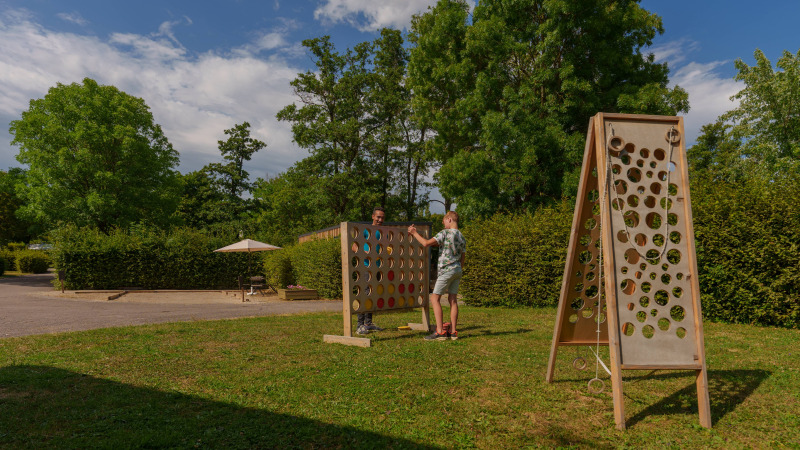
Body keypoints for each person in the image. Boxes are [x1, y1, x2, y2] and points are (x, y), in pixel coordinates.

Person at [408, 211, 466, 341]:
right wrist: (458, 269)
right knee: (453, 299)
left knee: (434, 298)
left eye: (444, 221)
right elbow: (463, 256)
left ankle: (440, 332)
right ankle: (453, 332)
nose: (443, 224)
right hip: (457, 270)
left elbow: (426, 243)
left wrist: (414, 233)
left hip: (446, 270)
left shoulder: (445, 233)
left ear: (449, 219)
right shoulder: (462, 236)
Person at [357, 207, 386, 335]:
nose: (380, 220)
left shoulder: (383, 232)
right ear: (373, 216)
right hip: (366, 266)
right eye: (378, 217)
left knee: (373, 294)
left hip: (377, 267)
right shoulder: (366, 230)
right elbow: (354, 246)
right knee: (365, 295)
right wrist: (367, 253)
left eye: (382, 218)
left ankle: (368, 323)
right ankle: (359, 325)